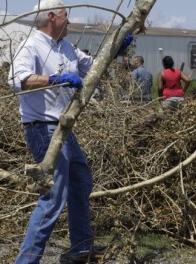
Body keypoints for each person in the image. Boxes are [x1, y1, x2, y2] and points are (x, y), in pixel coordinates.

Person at [7, 0, 117, 262]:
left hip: (63, 127)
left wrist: (116, 48)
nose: (69, 21)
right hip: (43, 128)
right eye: (66, 16)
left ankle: (80, 250)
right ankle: (26, 260)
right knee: (53, 197)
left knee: (80, 183)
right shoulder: (31, 45)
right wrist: (54, 79)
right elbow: (14, 80)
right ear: (53, 16)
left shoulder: (66, 46)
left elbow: (92, 66)